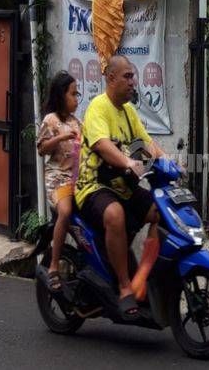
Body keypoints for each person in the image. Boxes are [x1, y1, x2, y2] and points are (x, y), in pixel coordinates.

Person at [75, 55, 165, 320]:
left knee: (161, 213)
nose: (132, 82)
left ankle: (143, 278)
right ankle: (125, 288)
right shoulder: (98, 108)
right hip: (93, 186)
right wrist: (127, 160)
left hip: (121, 186)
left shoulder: (128, 113)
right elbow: (102, 144)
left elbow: (148, 144)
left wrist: (170, 162)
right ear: (110, 78)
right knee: (115, 214)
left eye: (133, 77)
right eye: (127, 76)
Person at [37, 72, 82, 292]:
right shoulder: (51, 120)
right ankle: (54, 266)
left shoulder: (76, 122)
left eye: (77, 94)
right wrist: (61, 137)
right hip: (57, 180)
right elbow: (41, 149)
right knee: (65, 211)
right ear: (61, 95)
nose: (77, 98)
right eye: (73, 94)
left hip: (77, 181)